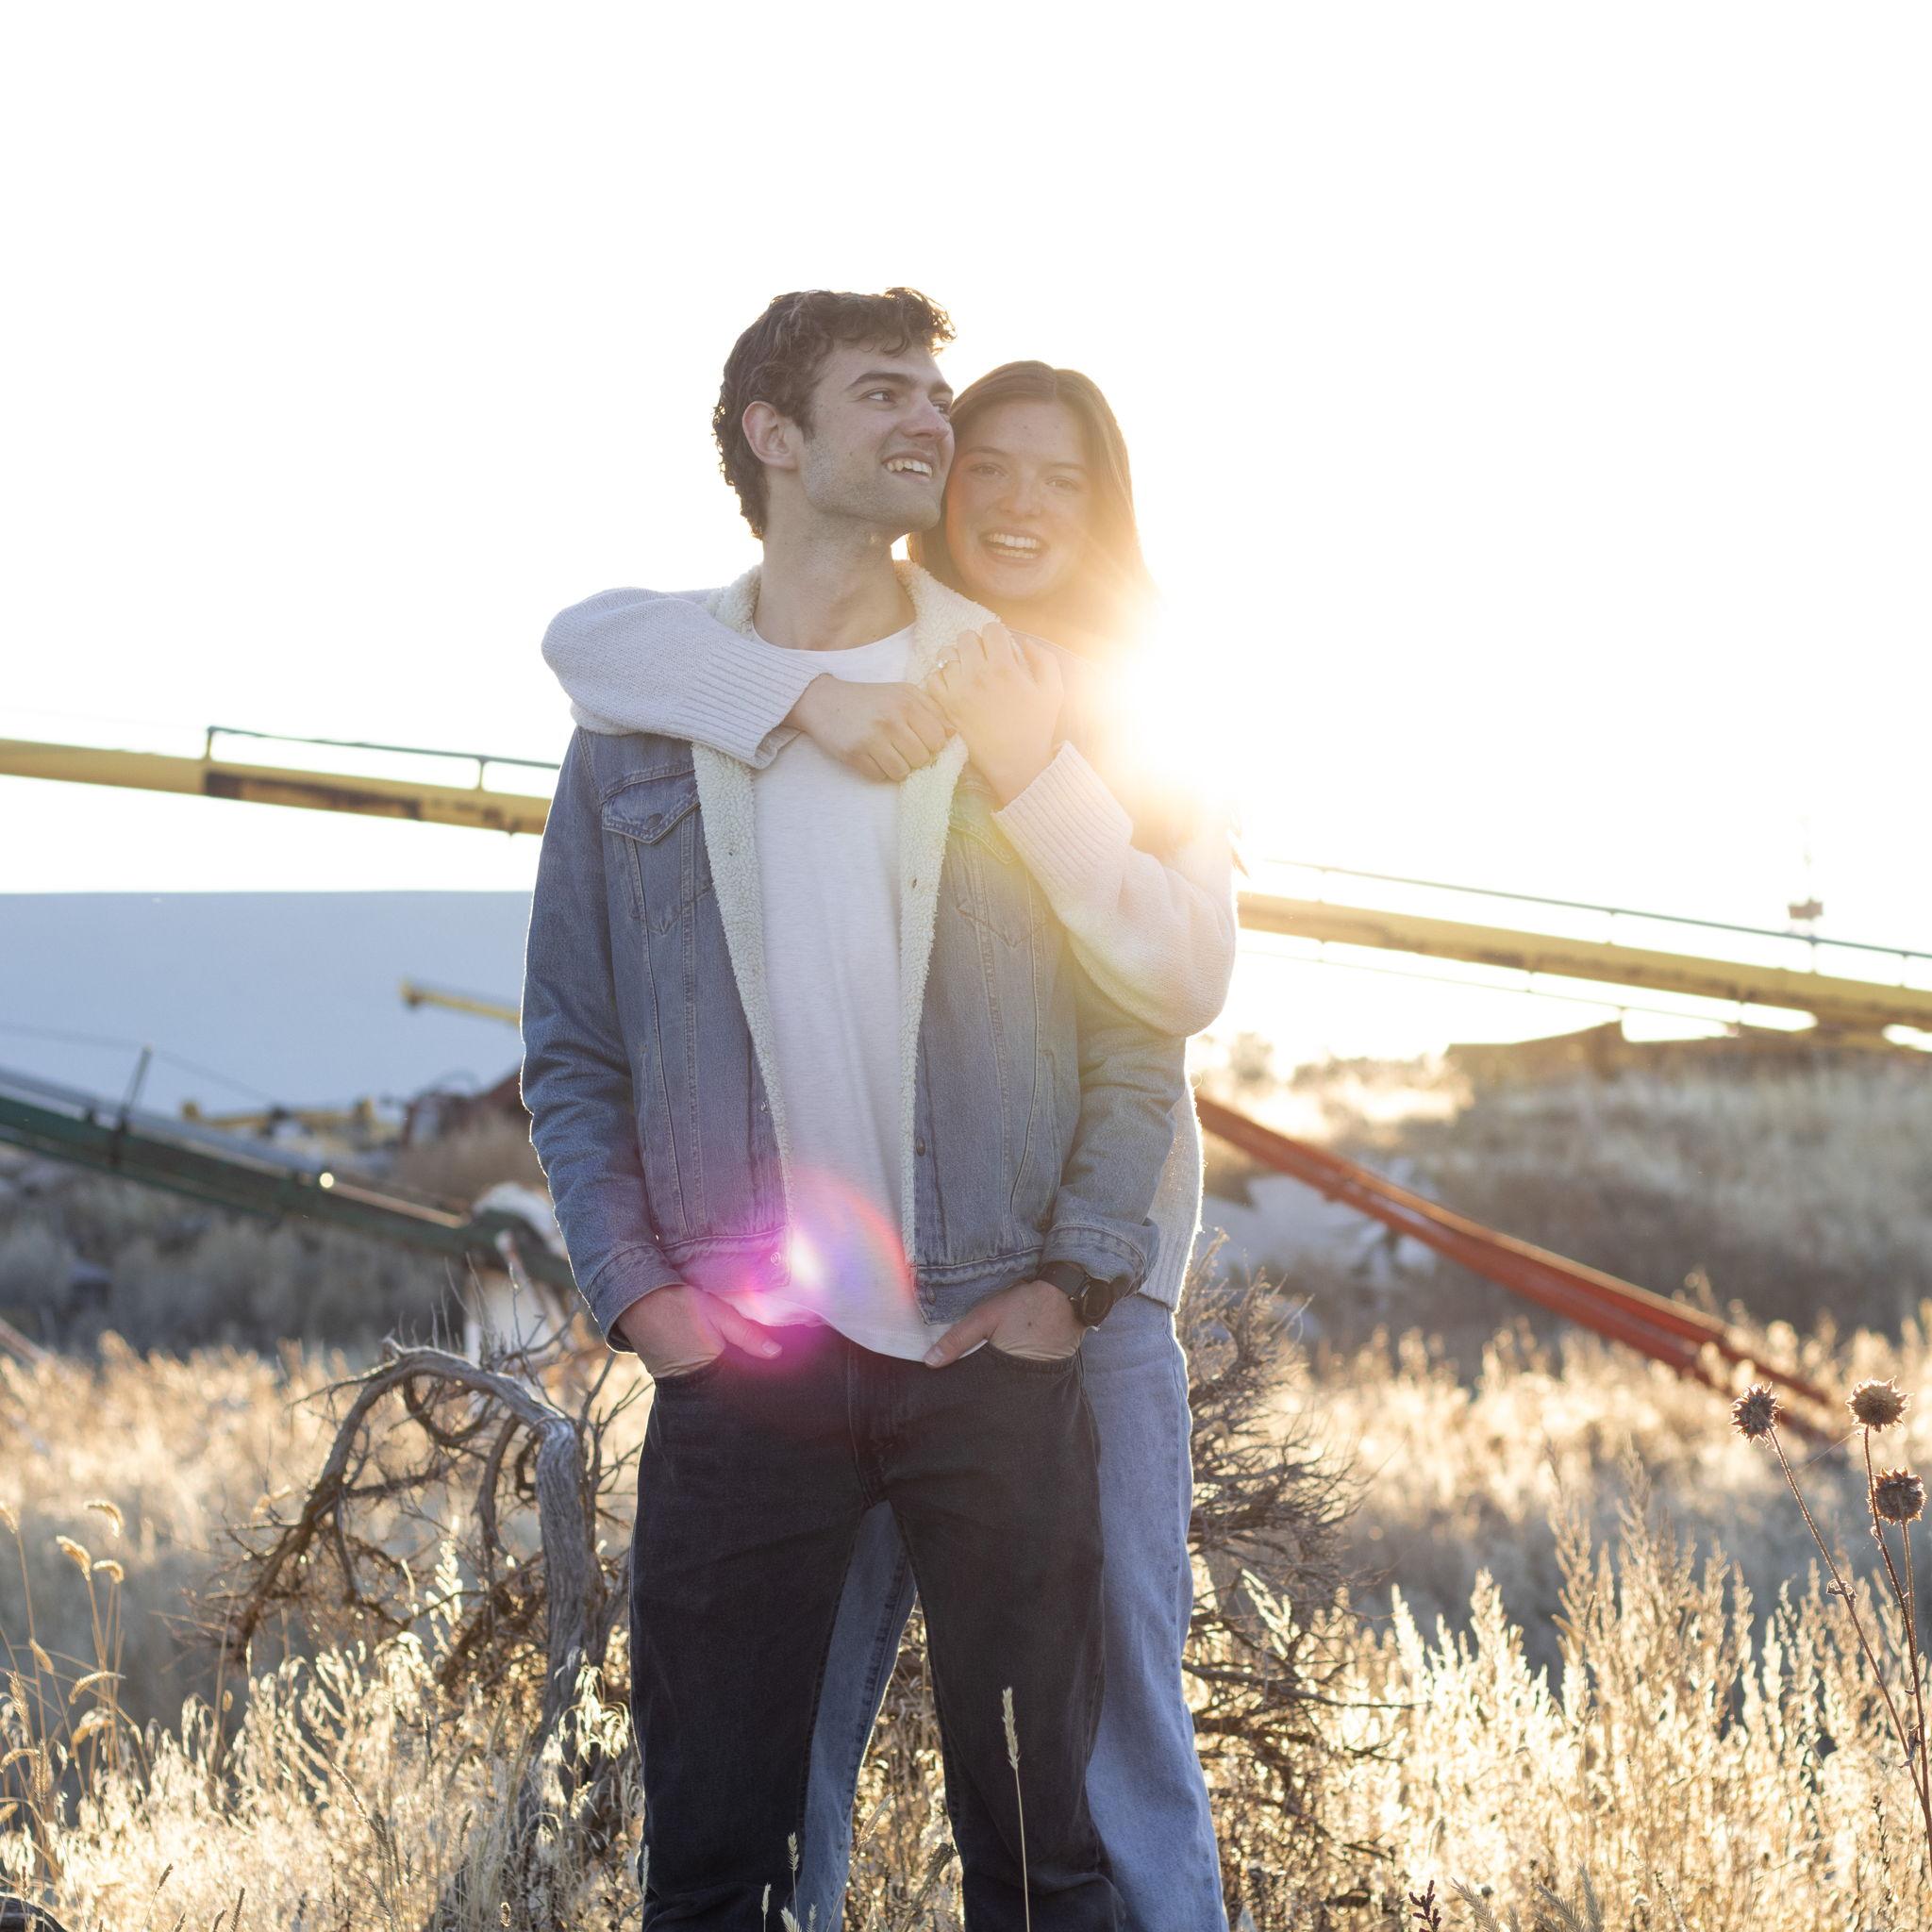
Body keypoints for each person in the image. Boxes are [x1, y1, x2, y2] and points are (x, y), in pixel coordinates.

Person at [521, 287, 1186, 1931]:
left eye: (932, 395)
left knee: (1042, 1859)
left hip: (989, 1350)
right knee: (717, 1864)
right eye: (884, 392)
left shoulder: (1018, 693)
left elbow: (1136, 1031)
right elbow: (575, 1053)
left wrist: (1067, 1284)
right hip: (749, 1366)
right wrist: (646, 1301)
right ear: (774, 434)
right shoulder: (642, 729)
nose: (930, 424)